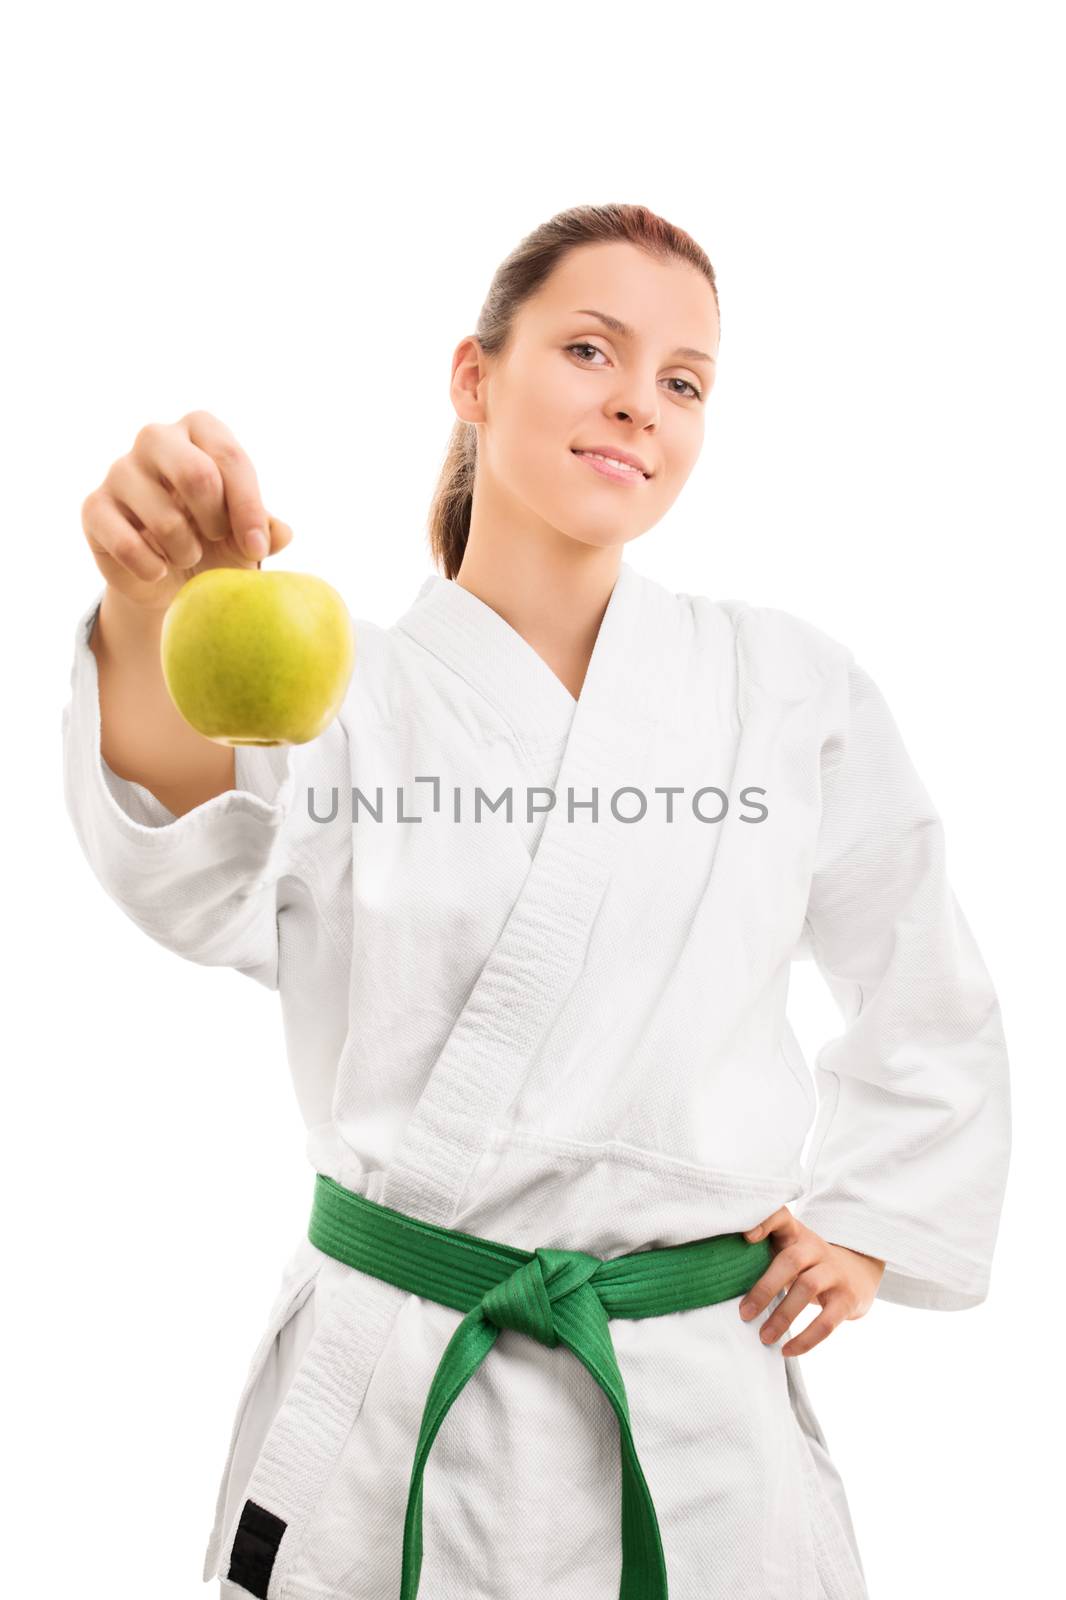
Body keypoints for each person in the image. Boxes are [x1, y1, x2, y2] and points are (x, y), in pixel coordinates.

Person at [62, 202, 1012, 1600]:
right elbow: (194, 872)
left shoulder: (784, 683)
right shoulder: (348, 691)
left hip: (692, 1409)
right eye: (590, 349)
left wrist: (880, 1211)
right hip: (396, 1393)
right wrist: (154, 615)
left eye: (684, 381)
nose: (640, 401)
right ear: (474, 377)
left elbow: (918, 958)